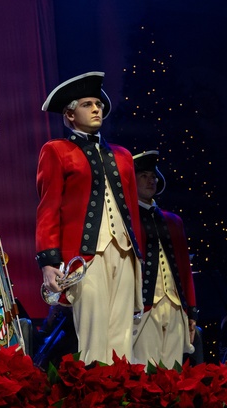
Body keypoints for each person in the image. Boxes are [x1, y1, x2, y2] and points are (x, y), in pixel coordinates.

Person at [36, 71, 142, 366]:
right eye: (87, 104)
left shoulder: (122, 155)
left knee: (122, 333)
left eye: (98, 103)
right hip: (84, 258)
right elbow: (48, 208)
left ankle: (124, 396)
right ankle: (96, 399)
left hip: (123, 251)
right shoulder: (57, 151)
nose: (97, 108)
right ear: (69, 114)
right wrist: (48, 261)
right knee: (93, 333)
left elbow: (132, 210)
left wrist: (138, 255)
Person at [131, 150, 197, 367]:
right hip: (145, 307)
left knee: (174, 374)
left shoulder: (173, 221)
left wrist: (191, 310)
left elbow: (185, 271)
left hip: (176, 306)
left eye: (153, 176)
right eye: (144, 176)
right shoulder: (127, 220)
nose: (151, 180)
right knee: (145, 371)